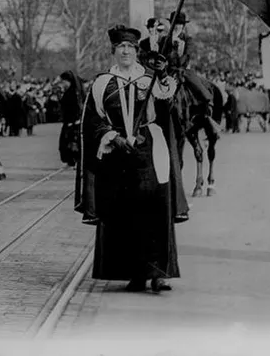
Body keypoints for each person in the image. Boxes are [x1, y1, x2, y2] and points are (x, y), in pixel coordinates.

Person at [75, 25, 187, 293]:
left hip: (149, 150)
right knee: (126, 215)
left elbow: (167, 109)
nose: (125, 51)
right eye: (121, 47)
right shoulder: (102, 84)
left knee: (156, 210)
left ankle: (160, 273)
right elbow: (92, 121)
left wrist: (161, 74)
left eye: (130, 47)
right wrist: (114, 137)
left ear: (137, 51)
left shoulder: (150, 80)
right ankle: (135, 274)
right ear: (114, 51)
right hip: (118, 154)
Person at [160, 11, 218, 129]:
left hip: (183, 69)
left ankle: (207, 104)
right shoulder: (165, 40)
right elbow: (161, 55)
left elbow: (187, 56)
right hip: (167, 71)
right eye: (174, 23)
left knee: (196, 83)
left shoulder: (188, 39)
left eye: (180, 24)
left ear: (183, 26)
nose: (176, 26)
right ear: (171, 24)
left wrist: (178, 53)